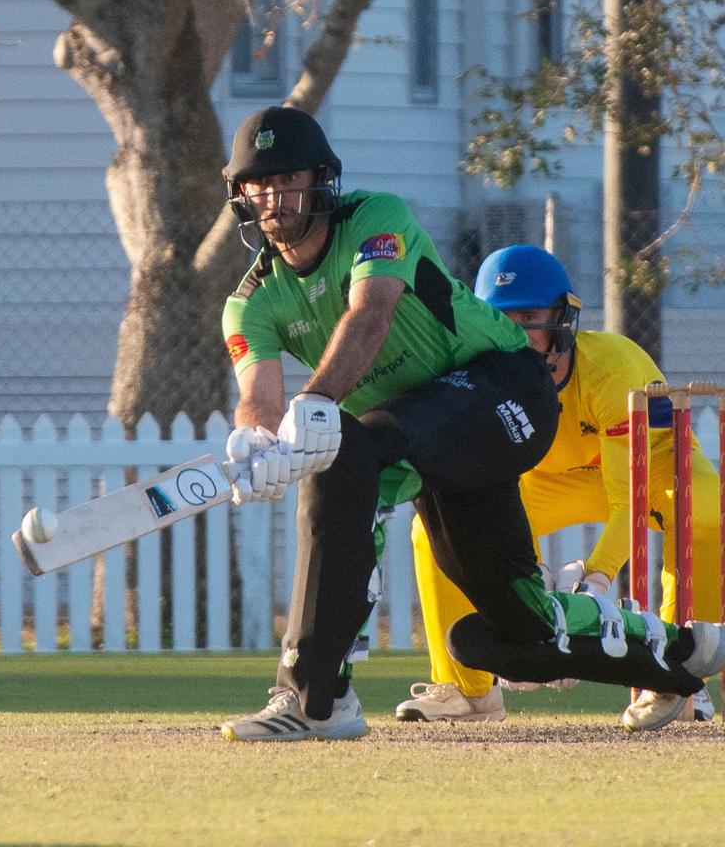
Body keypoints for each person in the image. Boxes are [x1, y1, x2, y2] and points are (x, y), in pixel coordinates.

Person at [218, 106, 725, 742]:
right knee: (518, 628)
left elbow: (370, 315)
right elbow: (258, 395)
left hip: (500, 388)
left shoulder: (377, 217)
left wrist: (316, 402)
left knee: (348, 455)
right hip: (431, 435)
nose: (273, 196)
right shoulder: (249, 301)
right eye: (257, 184)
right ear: (239, 193)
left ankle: (315, 697)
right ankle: (685, 652)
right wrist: (257, 440)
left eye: (287, 177)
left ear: (321, 178)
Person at [396, 244, 723, 732]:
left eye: (530, 316)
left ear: (564, 319)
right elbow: (483, 485)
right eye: (503, 318)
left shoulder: (612, 367)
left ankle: (675, 677)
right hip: (546, 481)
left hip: (652, 472)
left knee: (705, 512)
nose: (519, 333)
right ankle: (468, 691)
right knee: (431, 533)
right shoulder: (477, 372)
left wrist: (595, 581)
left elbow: (625, 500)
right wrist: (529, 595)